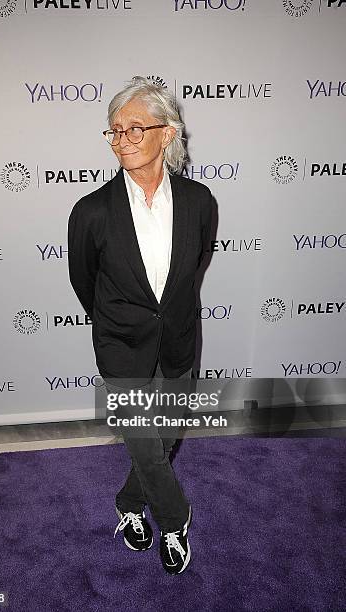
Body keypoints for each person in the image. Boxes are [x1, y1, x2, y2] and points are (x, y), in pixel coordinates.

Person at [67, 76, 213, 575]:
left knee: (166, 440)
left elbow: (194, 269)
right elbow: (84, 282)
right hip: (120, 348)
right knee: (148, 449)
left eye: (135, 128)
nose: (122, 140)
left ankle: (129, 504)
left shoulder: (199, 203)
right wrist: (119, 323)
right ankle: (175, 520)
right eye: (114, 130)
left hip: (178, 342)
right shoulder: (89, 212)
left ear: (167, 134)